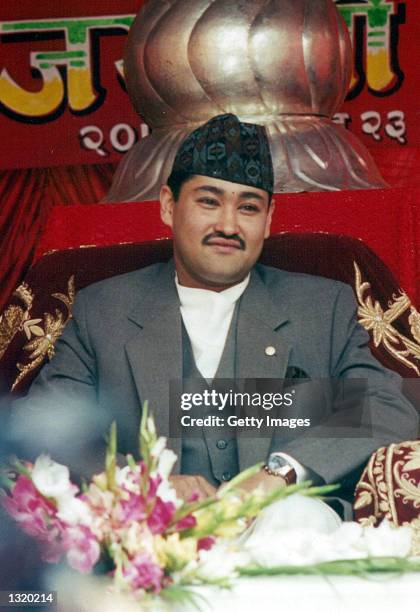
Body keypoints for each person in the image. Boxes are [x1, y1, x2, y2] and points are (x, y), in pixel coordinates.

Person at [8, 114, 418, 518]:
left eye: (249, 207)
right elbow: (49, 427)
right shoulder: (105, 311)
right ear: (169, 206)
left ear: (269, 220)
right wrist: (143, 485)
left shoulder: (320, 307)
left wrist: (280, 474)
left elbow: (383, 406)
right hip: (150, 545)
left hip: (292, 536)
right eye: (208, 201)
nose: (227, 224)